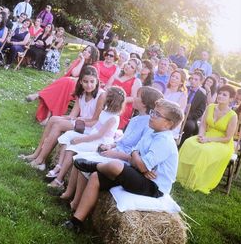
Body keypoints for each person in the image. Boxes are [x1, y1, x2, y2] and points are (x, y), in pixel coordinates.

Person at [63, 99, 184, 233]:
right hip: (140, 175)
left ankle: (95, 165)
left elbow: (142, 165)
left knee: (115, 165)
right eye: (153, 112)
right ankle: (76, 222)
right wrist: (137, 158)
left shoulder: (165, 141)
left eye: (157, 115)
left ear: (168, 124)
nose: (152, 116)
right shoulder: (151, 131)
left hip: (153, 186)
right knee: (96, 177)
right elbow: (135, 157)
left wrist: (139, 161)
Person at [60, 87, 164, 204]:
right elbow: (123, 140)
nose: (133, 98)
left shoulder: (148, 124)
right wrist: (111, 146)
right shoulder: (135, 119)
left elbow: (136, 152)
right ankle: (70, 193)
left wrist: (114, 153)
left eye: (138, 96)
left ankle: (75, 202)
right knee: (79, 159)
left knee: (84, 162)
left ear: (145, 103)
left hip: (124, 160)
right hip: (116, 151)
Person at [19, 66, 105, 171]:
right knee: (53, 119)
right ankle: (36, 154)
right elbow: (73, 114)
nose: (89, 85)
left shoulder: (101, 95)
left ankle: (40, 160)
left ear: (97, 81)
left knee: (59, 125)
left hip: (92, 128)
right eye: (85, 81)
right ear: (81, 81)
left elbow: (95, 120)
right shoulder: (81, 92)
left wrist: (75, 120)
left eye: (92, 81)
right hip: (80, 122)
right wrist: (65, 117)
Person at [46, 86, 126, 190]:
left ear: (110, 99)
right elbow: (96, 125)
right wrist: (83, 120)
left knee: (72, 148)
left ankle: (59, 180)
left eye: (105, 95)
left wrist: (80, 140)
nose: (102, 96)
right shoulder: (105, 111)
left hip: (100, 142)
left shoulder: (113, 118)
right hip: (92, 136)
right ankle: (59, 166)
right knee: (68, 136)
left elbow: (99, 135)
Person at [176, 84, 238, 193]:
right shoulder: (210, 107)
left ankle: (195, 181)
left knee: (204, 150)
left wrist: (208, 140)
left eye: (225, 95)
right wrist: (201, 135)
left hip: (222, 142)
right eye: (220, 93)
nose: (220, 96)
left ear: (231, 99)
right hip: (206, 135)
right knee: (188, 142)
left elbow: (228, 138)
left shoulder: (232, 115)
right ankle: (181, 175)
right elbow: (203, 124)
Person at [29, 45, 100, 124]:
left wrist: (82, 61)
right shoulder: (79, 61)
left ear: (92, 55)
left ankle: (39, 95)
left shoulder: (94, 67)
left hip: (82, 88)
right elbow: (73, 73)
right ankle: (47, 118)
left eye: (89, 52)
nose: (85, 52)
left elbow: (76, 75)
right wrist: (81, 61)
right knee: (60, 90)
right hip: (68, 84)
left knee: (66, 82)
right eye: (85, 50)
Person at [107, 57, 142, 129]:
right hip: (108, 101)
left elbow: (134, 98)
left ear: (135, 71)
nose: (128, 67)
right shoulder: (117, 74)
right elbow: (107, 87)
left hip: (123, 106)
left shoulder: (136, 81)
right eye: (128, 64)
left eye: (132, 67)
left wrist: (119, 100)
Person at [180, 71, 208, 146]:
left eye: (196, 79)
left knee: (190, 126)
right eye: (191, 78)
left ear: (200, 82)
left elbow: (200, 111)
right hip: (178, 113)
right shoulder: (183, 89)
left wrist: (188, 116)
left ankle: (182, 145)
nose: (192, 81)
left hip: (190, 117)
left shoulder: (202, 96)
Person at [163, 69, 188, 139]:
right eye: (173, 76)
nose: (173, 78)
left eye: (177, 78)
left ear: (181, 82)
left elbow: (178, 113)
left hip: (171, 121)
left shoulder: (182, 95)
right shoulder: (164, 89)